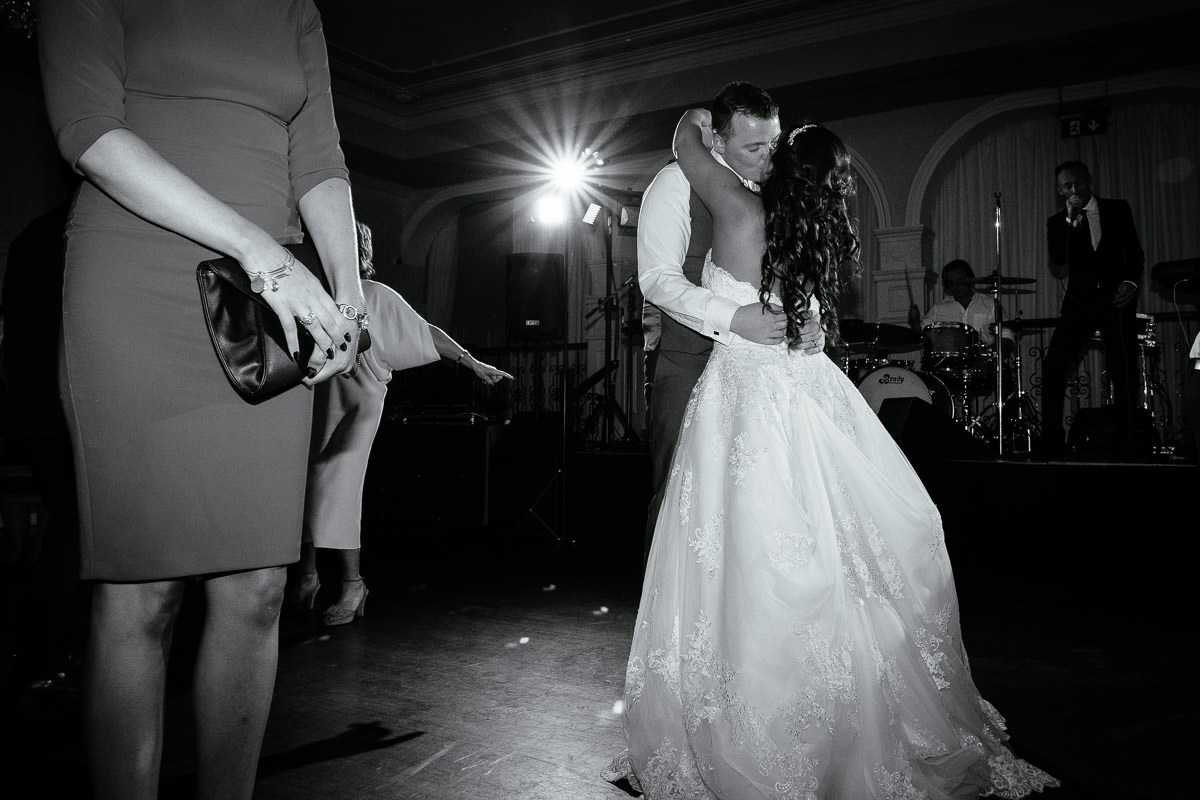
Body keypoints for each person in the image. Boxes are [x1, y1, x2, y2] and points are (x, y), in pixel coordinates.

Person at [605, 112, 1059, 798]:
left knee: (750, 548)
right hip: (804, 389)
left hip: (747, 395)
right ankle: (845, 703)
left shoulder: (742, 208)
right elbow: (804, 309)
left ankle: (752, 710)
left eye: (772, 147)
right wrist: (810, 321)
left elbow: (686, 148)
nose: (762, 155)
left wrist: (698, 122)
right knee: (826, 539)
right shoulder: (805, 232)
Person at [37, 2, 361, 798]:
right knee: (140, 591)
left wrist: (347, 299)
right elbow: (86, 129)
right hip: (138, 282)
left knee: (258, 589)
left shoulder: (294, 9)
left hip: (269, 308)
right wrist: (258, 249)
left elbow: (320, 160)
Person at [291, 222, 511, 625]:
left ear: (357, 251)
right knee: (307, 484)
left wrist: (471, 361)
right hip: (319, 402)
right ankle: (307, 578)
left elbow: (423, 331)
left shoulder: (373, 295)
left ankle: (352, 584)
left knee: (340, 486)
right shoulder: (314, 295)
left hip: (360, 406)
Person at [638, 81, 821, 561]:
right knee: (680, 498)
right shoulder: (674, 183)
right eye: (754, 147)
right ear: (718, 142)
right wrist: (733, 316)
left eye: (774, 145)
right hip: (687, 360)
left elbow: (791, 267)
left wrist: (812, 317)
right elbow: (657, 279)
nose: (768, 158)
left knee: (763, 503)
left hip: (765, 372)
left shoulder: (773, 188)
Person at [1040, 160, 1144, 455]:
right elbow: (1059, 260)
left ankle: (1125, 443)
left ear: (1090, 181)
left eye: (1079, 183)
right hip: (1078, 304)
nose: (1074, 190)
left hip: (1116, 301)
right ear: (1059, 190)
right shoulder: (1057, 221)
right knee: (1054, 368)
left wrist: (1131, 283)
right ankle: (1052, 443)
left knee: (1123, 371)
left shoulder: (1117, 209)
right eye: (1067, 186)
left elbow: (1134, 253)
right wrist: (1069, 221)